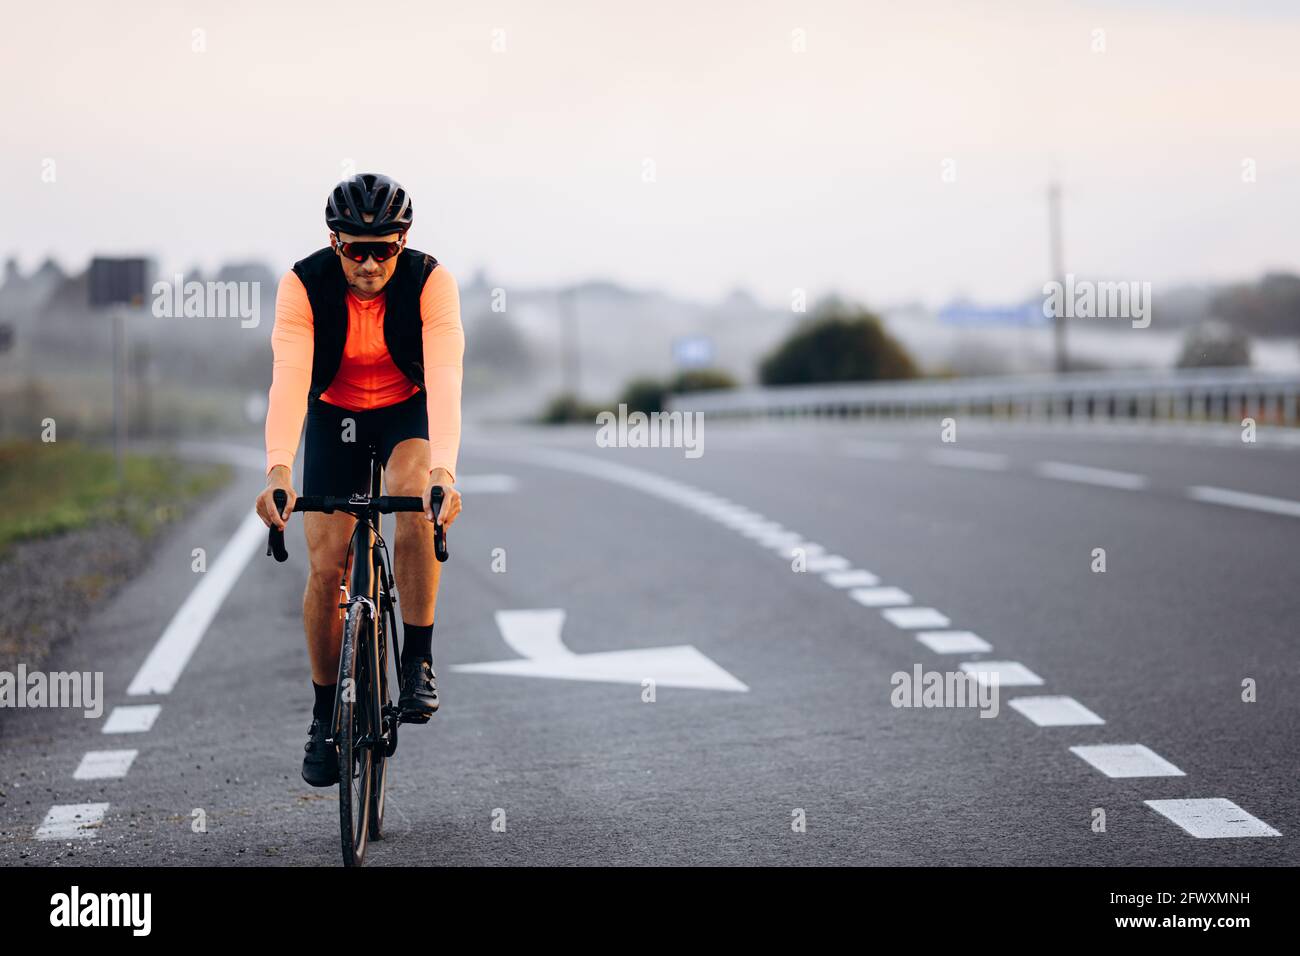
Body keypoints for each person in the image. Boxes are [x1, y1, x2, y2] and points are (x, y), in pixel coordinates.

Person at [253, 173, 464, 787]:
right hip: (333, 414)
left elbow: (446, 375)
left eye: (384, 249)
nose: (370, 263)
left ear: (403, 242)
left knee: (416, 496)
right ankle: (324, 718)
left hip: (407, 409)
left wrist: (445, 474)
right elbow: (290, 376)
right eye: (355, 248)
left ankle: (417, 658)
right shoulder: (303, 284)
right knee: (326, 569)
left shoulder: (431, 281)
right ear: (333, 241)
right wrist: (278, 470)